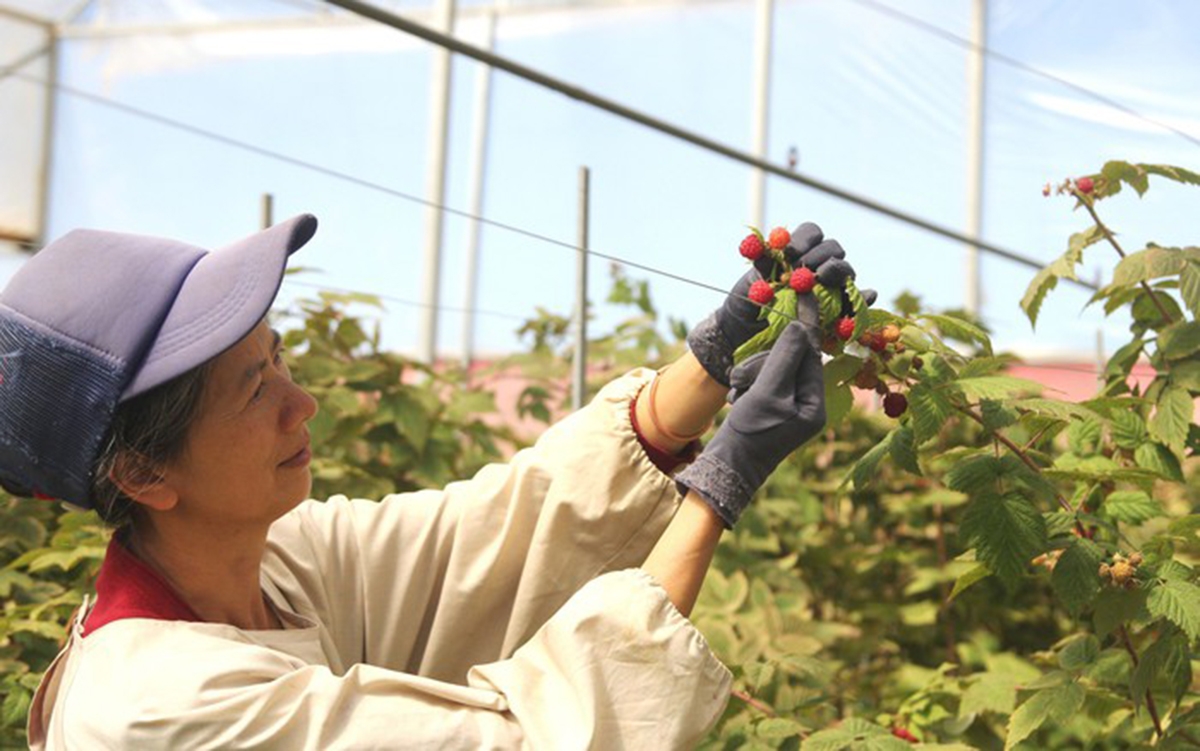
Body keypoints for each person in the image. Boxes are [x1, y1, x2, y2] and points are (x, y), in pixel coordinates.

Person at [1, 214, 862, 749]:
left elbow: (491, 530)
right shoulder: (153, 710)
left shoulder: (266, 564)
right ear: (144, 471)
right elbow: (533, 741)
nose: (302, 404)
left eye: (280, 359)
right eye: (254, 389)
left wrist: (708, 363)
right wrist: (721, 483)